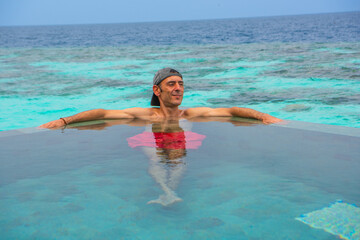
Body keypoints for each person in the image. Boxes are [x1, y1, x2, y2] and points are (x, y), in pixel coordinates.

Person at [39, 68, 282, 129]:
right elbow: (102, 114)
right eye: (172, 84)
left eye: (181, 84)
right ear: (157, 90)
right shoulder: (146, 115)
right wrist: (64, 121)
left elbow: (231, 111)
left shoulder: (191, 114)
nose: (178, 89)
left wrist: (264, 116)